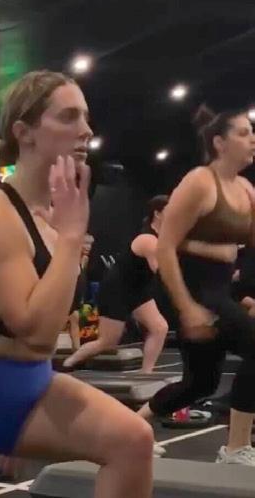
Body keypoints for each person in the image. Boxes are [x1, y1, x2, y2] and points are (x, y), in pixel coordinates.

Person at [0, 70, 154, 498]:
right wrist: (72, 239)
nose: (86, 129)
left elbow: (53, 320)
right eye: (69, 117)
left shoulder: (54, 214)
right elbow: (36, 332)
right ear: (24, 133)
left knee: (133, 441)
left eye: (86, 117)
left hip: (30, 388)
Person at [138, 104, 255, 466]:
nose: (253, 139)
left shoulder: (246, 190)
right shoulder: (199, 182)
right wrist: (187, 308)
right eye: (244, 133)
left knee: (200, 384)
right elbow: (166, 246)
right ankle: (235, 449)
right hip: (188, 288)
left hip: (218, 291)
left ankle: (130, 430)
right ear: (219, 142)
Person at [63, 196, 170, 372]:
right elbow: (160, 271)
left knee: (159, 328)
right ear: (157, 214)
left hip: (137, 290)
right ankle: (68, 363)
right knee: (107, 341)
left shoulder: (161, 238)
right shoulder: (148, 239)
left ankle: (146, 373)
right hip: (116, 290)